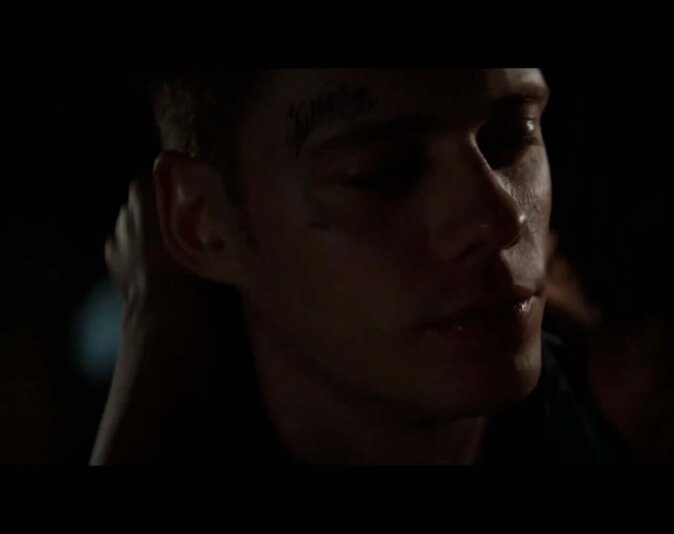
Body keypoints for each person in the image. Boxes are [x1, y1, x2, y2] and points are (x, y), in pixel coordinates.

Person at [91, 69, 632, 465]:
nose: (500, 219)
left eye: (511, 137)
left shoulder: (633, 411)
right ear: (202, 223)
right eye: (381, 171)